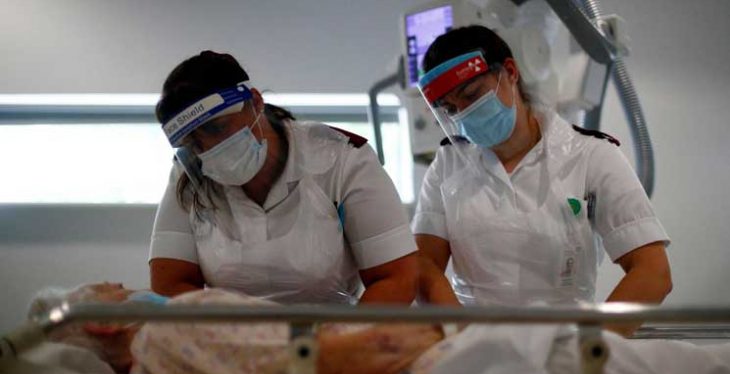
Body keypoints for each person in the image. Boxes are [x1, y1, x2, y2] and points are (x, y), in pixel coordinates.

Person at [412, 26, 672, 328]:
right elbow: (425, 266)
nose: (464, 114)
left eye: (472, 95)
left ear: (510, 72)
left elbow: (653, 272)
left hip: (566, 338)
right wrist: (463, 334)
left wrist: (590, 344)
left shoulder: (591, 155)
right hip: (475, 341)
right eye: (450, 109)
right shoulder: (448, 164)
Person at [149, 51, 419, 305]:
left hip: (332, 332)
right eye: (194, 143)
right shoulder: (188, 176)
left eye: (217, 128)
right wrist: (237, 332)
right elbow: (170, 283)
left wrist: (341, 337)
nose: (209, 149)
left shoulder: (341, 159)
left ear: (255, 102)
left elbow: (398, 277)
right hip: (233, 334)